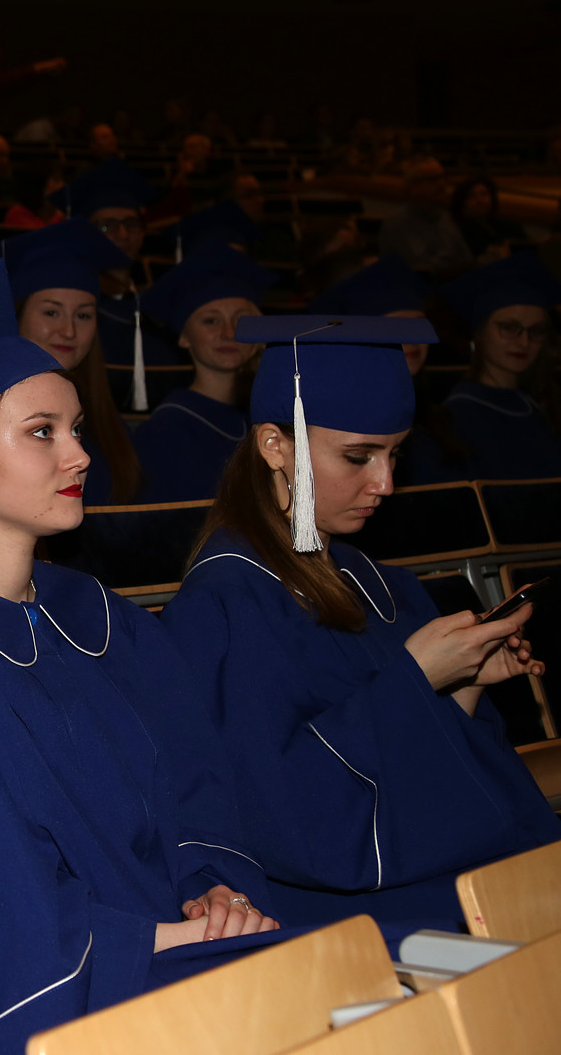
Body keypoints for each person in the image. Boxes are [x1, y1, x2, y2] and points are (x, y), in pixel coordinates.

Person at [0, 258, 280, 1053]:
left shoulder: (98, 616)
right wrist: (161, 939)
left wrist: (210, 889)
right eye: (42, 432)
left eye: (75, 430)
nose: (79, 456)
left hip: (184, 939)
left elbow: (195, 783)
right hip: (78, 988)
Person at [162, 314, 560, 930]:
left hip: (449, 864)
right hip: (355, 909)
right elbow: (283, 812)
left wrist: (464, 683)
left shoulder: (382, 584)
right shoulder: (221, 608)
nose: (386, 483)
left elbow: (434, 769)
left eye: (395, 453)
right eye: (358, 456)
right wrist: (416, 678)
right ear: (275, 446)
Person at [3, 219, 143, 504]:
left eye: (83, 315)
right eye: (51, 313)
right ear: (17, 316)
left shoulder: (107, 421)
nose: (68, 331)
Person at [132, 243, 276, 502]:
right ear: (184, 337)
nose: (229, 333)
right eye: (211, 321)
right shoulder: (165, 431)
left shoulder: (273, 413)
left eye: (241, 320)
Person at [309, 255, 464, 485]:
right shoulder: (340, 423)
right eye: (395, 328)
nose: (411, 339)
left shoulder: (441, 417)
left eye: (418, 326)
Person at [48, 158, 185, 401]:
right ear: (84, 234)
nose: (123, 234)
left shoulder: (158, 310)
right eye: (107, 226)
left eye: (131, 224)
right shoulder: (75, 313)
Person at [437, 251, 561, 479]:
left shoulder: (539, 403)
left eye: (536, 331)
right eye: (509, 327)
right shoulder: (460, 414)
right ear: (480, 332)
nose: (524, 342)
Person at [378, 157, 474, 275]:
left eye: (442, 177)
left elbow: (466, 259)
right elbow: (422, 269)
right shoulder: (397, 223)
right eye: (432, 179)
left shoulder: (444, 216)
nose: (441, 184)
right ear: (412, 186)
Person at [450, 175, 527, 263]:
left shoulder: (506, 225)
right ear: (462, 203)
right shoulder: (460, 231)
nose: (480, 200)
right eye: (472, 196)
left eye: (484, 194)